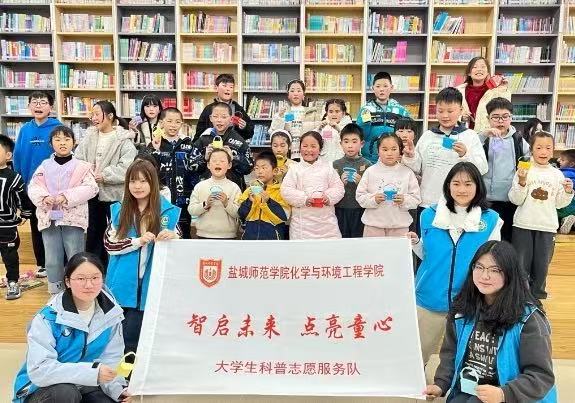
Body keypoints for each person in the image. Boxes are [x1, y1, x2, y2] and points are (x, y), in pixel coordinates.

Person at [425, 241, 557, 403]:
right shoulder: (462, 310)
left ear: (509, 273)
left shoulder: (529, 319)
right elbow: (450, 354)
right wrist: (440, 384)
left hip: (511, 396)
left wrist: (503, 394)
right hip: (470, 390)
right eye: (479, 267)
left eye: (494, 270)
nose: (484, 276)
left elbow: (541, 376)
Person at [408, 162, 502, 364]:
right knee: (418, 354)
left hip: (470, 301)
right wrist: (415, 243)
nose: (462, 189)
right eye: (456, 183)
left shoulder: (491, 220)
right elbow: (427, 254)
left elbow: (493, 263)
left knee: (465, 358)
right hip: (429, 296)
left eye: (468, 184)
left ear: (478, 186)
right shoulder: (428, 215)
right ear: (448, 186)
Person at [13, 252, 131, 403]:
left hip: (84, 385)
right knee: (65, 393)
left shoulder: (112, 315)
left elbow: (111, 359)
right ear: (68, 282)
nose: (89, 285)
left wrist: (120, 391)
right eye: (81, 279)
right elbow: (40, 370)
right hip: (40, 389)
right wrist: (92, 373)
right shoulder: (47, 318)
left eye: (95, 278)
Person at [104, 160, 180, 353]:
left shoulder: (168, 212)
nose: (137, 186)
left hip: (152, 285)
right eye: (133, 181)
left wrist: (173, 237)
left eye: (143, 181)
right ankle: (122, 370)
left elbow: (179, 245)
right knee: (120, 337)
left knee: (143, 337)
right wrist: (137, 241)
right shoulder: (118, 210)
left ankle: (136, 369)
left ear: (153, 183)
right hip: (122, 284)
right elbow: (110, 245)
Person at [28, 126, 99, 295]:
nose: (62, 143)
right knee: (52, 259)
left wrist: (66, 197)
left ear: (74, 142)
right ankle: (56, 292)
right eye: (58, 139)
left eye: (67, 139)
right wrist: (44, 198)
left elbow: (91, 188)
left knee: (76, 255)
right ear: (51, 144)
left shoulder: (82, 166)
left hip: (73, 218)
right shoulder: (44, 166)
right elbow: (33, 187)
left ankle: (77, 290)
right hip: (49, 217)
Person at [509, 131, 574, 300]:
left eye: (548, 148)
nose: (543, 151)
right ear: (531, 149)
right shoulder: (524, 170)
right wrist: (522, 182)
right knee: (521, 264)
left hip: (547, 226)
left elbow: (560, 204)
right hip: (523, 224)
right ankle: (520, 297)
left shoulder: (557, 174)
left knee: (542, 265)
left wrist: (568, 192)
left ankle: (537, 297)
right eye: (538, 147)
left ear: (553, 150)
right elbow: (515, 199)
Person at [402, 87, 488, 210]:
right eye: (440, 111)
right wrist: (411, 156)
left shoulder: (470, 136)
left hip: (460, 203)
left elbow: (482, 168)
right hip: (429, 201)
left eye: (450, 111)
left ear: (460, 110)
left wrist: (465, 154)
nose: (445, 116)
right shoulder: (428, 136)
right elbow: (417, 169)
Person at [75, 101, 137, 266]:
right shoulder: (89, 137)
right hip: (91, 192)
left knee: (115, 231)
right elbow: (78, 159)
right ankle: (93, 266)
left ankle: (114, 266)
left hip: (114, 195)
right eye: (92, 115)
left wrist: (105, 175)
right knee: (93, 231)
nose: (93, 118)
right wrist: (87, 173)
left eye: (97, 114)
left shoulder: (124, 139)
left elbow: (127, 167)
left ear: (110, 116)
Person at [13, 91, 62, 278]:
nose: (38, 106)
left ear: (51, 107)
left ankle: (59, 263)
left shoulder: (58, 128)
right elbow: (18, 157)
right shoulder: (25, 129)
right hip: (31, 190)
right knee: (36, 226)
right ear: (29, 106)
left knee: (56, 224)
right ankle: (42, 263)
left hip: (54, 190)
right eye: (35, 102)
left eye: (43, 102)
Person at [479, 97, 530, 242]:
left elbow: (528, 159)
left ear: (511, 118)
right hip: (486, 199)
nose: (500, 121)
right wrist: (483, 136)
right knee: (487, 237)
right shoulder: (483, 138)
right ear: (488, 119)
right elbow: (471, 153)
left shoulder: (518, 139)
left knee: (507, 237)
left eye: (505, 116)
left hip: (510, 199)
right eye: (495, 117)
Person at [281, 131, 345, 239]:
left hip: (327, 225)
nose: (309, 150)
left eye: (313, 146)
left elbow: (339, 188)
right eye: (305, 146)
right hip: (301, 227)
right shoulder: (294, 169)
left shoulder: (328, 168)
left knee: (330, 249)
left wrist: (328, 197)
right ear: (300, 148)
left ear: (320, 149)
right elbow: (286, 190)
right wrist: (304, 199)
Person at [148, 107, 199, 239]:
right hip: (160, 198)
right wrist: (155, 149)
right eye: (169, 121)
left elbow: (199, 168)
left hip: (183, 199)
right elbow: (144, 166)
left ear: (182, 124)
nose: (173, 125)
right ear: (161, 123)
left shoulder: (188, 144)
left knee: (183, 234)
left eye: (177, 122)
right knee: (158, 232)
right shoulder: (154, 143)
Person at [356, 134, 420, 237]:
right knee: (372, 248)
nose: (389, 153)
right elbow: (360, 196)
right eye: (385, 149)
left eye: (394, 149)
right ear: (378, 151)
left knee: (398, 248)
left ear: (400, 150)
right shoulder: (370, 171)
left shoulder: (407, 172)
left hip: (400, 226)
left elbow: (416, 199)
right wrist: (374, 199)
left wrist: (404, 200)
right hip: (373, 225)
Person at [192, 102, 254, 190]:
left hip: (233, 188)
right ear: (210, 118)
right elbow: (190, 165)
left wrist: (234, 157)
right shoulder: (203, 139)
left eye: (224, 117)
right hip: (207, 188)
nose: (219, 120)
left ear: (231, 119)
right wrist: (204, 158)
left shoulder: (239, 140)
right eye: (215, 116)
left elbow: (249, 167)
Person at [0, 135, 32, 300]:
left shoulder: (14, 177)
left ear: (8, 155)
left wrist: (25, 213)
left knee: (10, 255)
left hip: (7, 226)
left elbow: (22, 198)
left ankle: (13, 281)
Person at [356, 72, 411, 164]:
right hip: (370, 159)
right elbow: (359, 135)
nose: (382, 89)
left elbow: (408, 133)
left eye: (385, 86)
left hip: (395, 158)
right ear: (373, 88)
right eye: (378, 86)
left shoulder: (401, 110)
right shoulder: (366, 110)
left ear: (391, 88)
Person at [188, 147, 242, 239]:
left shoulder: (234, 187)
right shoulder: (200, 186)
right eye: (214, 161)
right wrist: (205, 204)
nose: (218, 163)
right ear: (208, 165)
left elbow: (239, 213)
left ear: (229, 165)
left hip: (228, 236)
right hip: (203, 235)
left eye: (222, 161)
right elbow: (191, 210)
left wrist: (226, 203)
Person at [238, 150, 290, 240]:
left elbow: (285, 216)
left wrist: (269, 202)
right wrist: (249, 202)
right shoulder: (249, 191)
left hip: (272, 242)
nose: (260, 171)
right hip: (249, 240)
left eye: (264, 168)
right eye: (257, 168)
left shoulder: (281, 191)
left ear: (275, 171)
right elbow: (241, 215)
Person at [332, 123, 372, 238]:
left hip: (360, 209)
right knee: (342, 239)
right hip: (340, 209)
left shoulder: (367, 165)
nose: (350, 146)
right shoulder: (335, 165)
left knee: (358, 240)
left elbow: (372, 190)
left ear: (362, 144)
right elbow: (331, 188)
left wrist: (361, 183)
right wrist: (340, 184)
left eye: (354, 142)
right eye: (346, 141)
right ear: (340, 144)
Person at [269, 79, 323, 161]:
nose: (295, 93)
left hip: (308, 153)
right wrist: (279, 117)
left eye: (299, 91)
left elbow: (319, 134)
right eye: (292, 91)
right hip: (288, 154)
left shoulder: (313, 113)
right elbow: (274, 133)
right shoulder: (283, 113)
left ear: (303, 94)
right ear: (288, 95)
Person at [456, 56, 511, 132]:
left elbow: (505, 108)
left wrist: (503, 89)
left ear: (487, 72)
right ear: (469, 73)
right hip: (465, 133)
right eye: (475, 67)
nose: (479, 69)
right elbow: (452, 111)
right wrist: (461, 118)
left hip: (488, 132)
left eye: (483, 67)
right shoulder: (459, 91)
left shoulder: (494, 90)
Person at [194, 73, 254, 140]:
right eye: (224, 86)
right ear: (216, 88)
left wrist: (245, 127)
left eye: (231, 87)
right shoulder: (208, 109)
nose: (228, 89)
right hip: (212, 144)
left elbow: (250, 132)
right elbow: (199, 133)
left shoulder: (238, 109)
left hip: (233, 144)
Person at [317, 98, 353, 163]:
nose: (334, 114)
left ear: (343, 113)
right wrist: (319, 129)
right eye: (330, 111)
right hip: (324, 161)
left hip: (342, 161)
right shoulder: (324, 126)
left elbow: (351, 142)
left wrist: (339, 129)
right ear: (327, 113)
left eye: (337, 111)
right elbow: (314, 141)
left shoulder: (349, 126)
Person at [557, 149, 575, 234]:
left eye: (562, 160)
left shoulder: (560, 174)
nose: (558, 160)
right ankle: (567, 219)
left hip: (562, 206)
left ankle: (562, 221)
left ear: (571, 164)